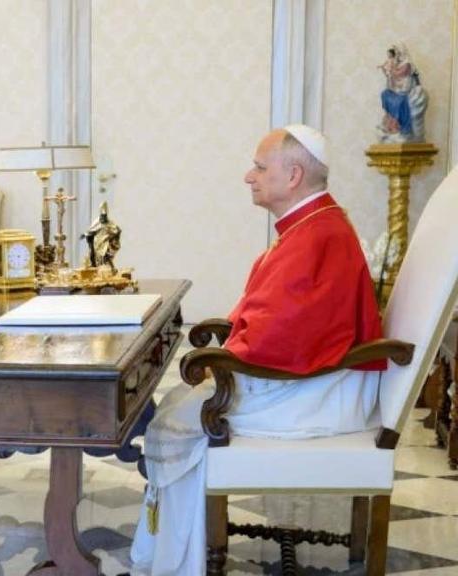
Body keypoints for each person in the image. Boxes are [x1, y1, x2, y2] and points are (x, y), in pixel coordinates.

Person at [130, 125, 385, 576]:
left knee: (176, 422)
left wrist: (223, 361)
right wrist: (232, 349)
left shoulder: (319, 234)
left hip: (320, 395)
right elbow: (277, 321)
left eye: (260, 167)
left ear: (294, 175)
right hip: (316, 380)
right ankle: (169, 551)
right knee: (174, 407)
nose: (249, 176)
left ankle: (177, 563)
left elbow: (284, 335)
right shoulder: (312, 225)